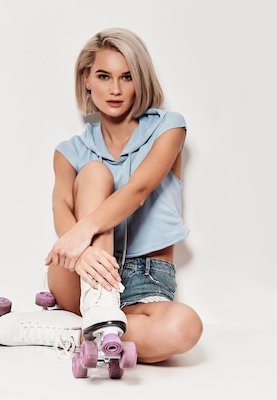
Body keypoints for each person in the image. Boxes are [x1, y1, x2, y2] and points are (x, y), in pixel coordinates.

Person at [44, 27, 203, 364]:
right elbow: (60, 207)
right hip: (79, 273)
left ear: (140, 81)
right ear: (87, 79)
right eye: (104, 76)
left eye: (127, 77)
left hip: (145, 278)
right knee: (94, 173)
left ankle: (75, 334)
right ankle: (99, 313)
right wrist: (83, 254)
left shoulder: (168, 127)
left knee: (185, 327)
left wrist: (84, 232)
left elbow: (138, 190)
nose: (115, 89)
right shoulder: (69, 151)